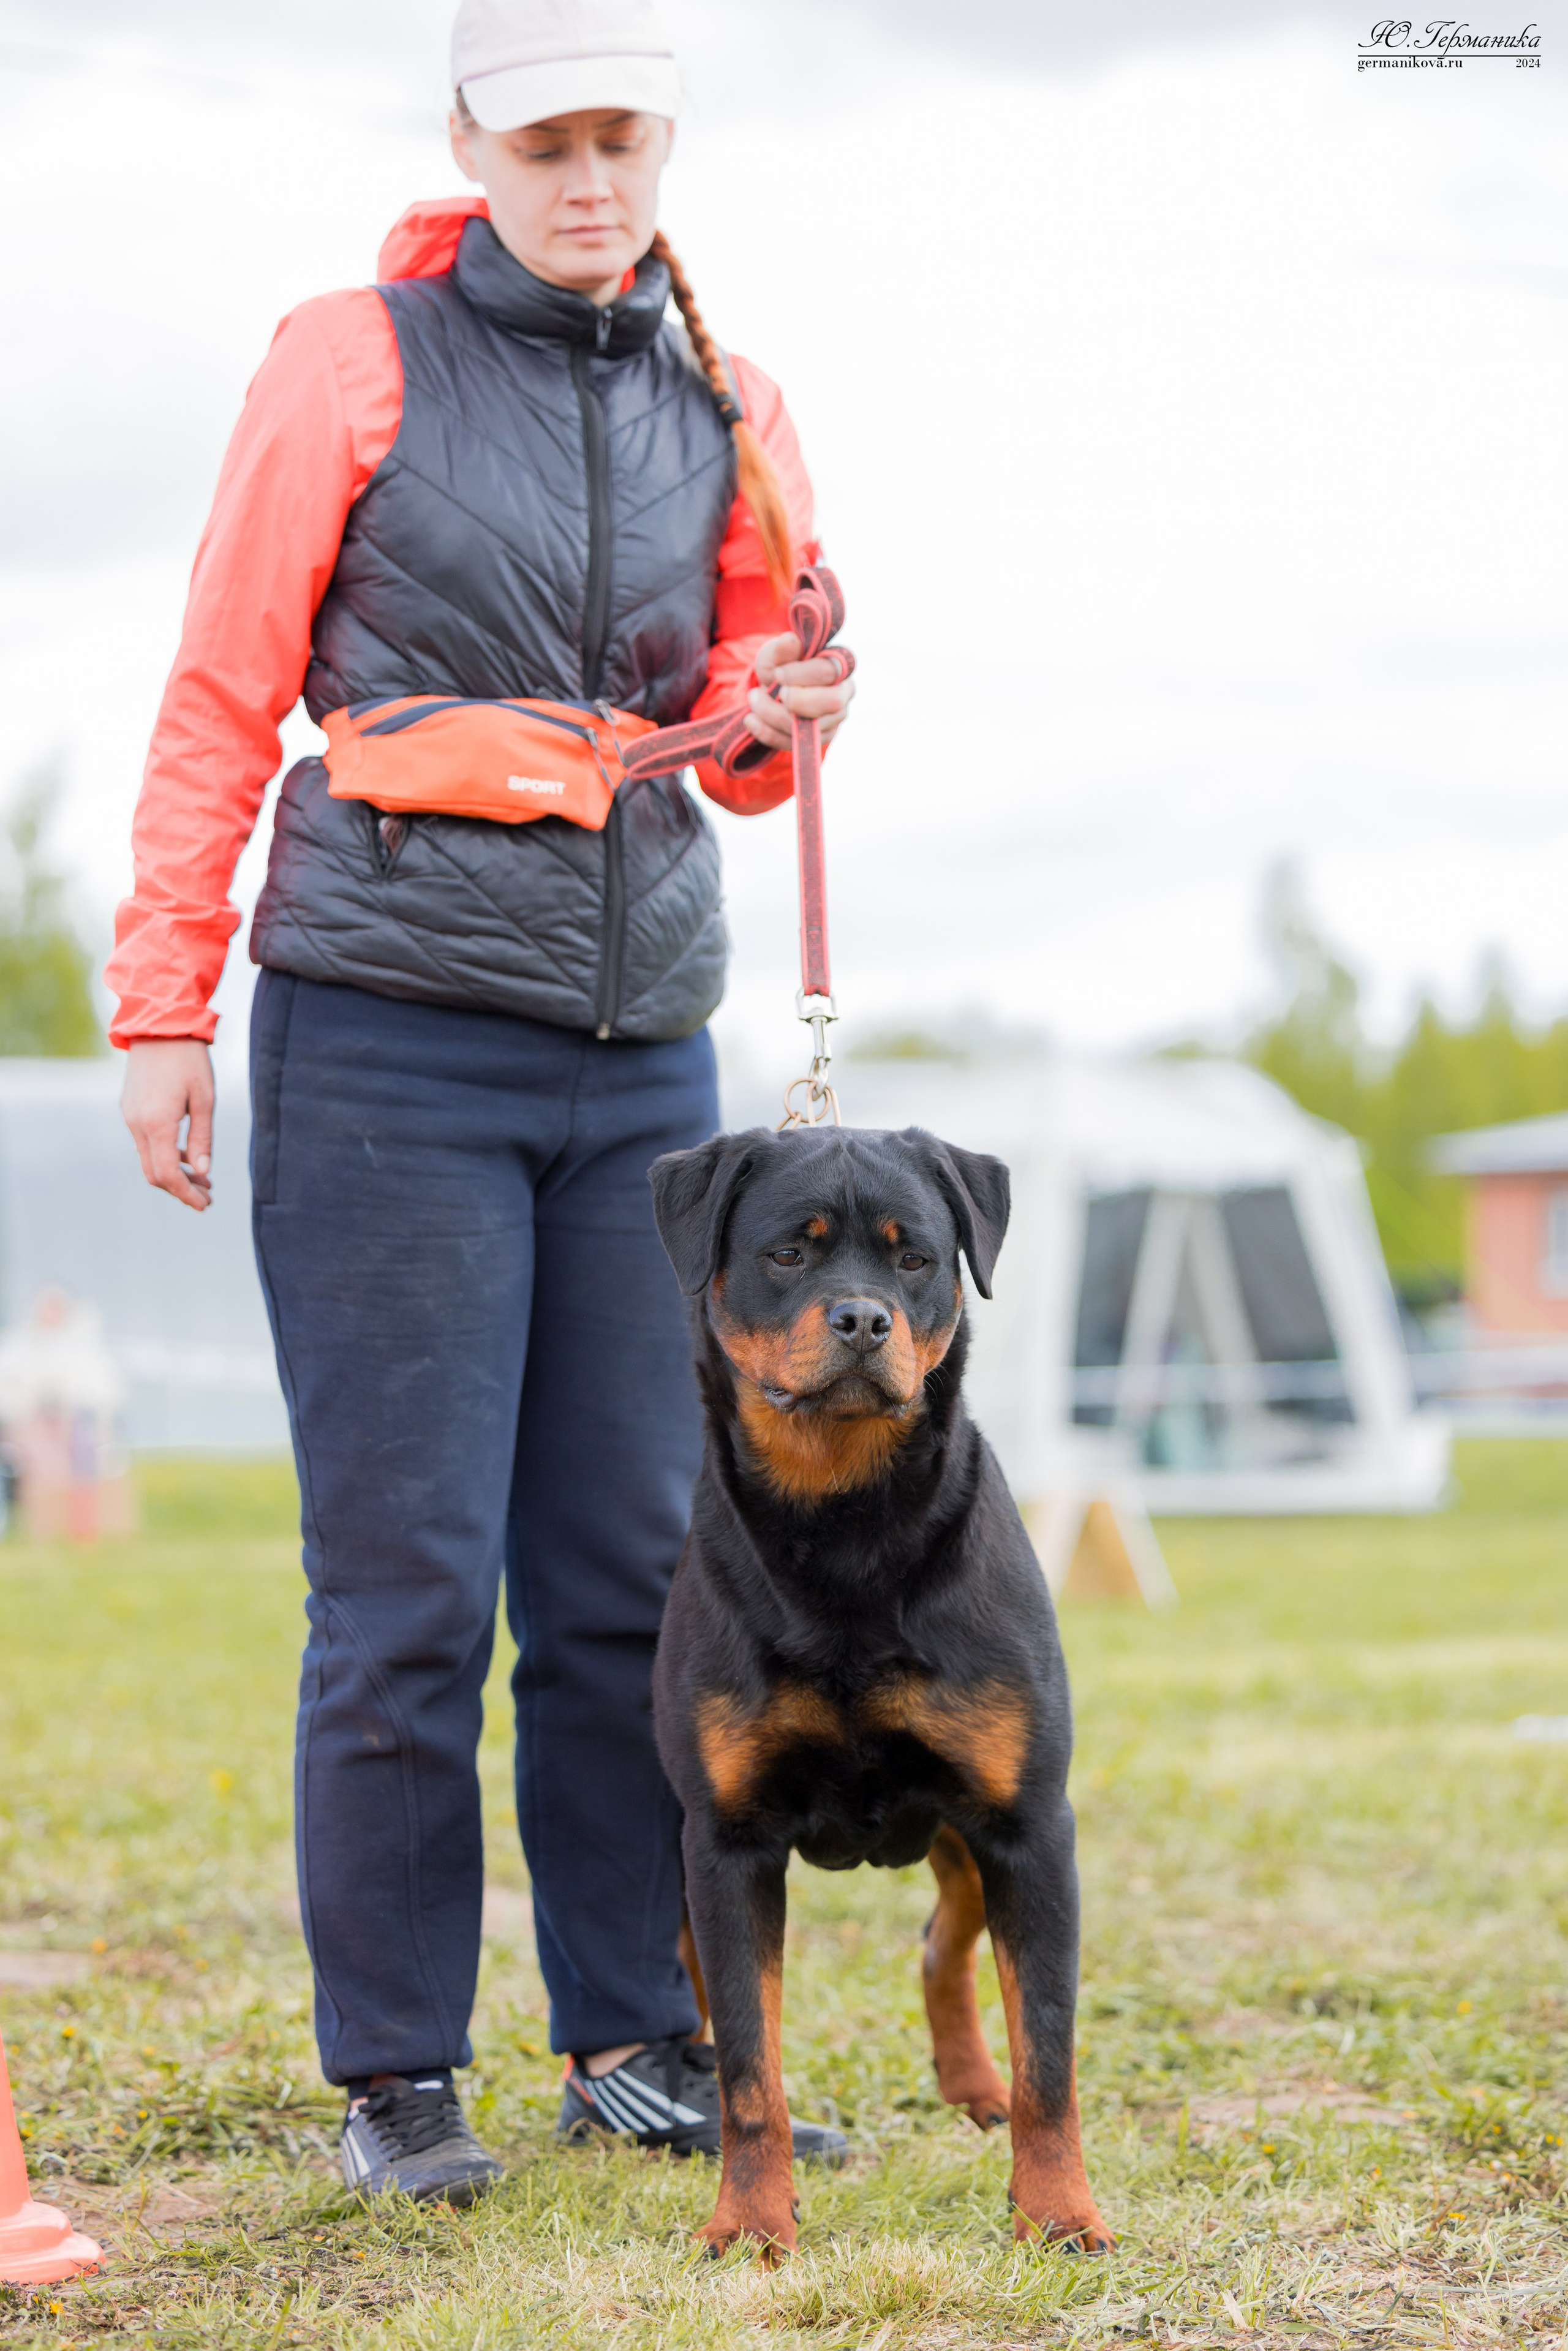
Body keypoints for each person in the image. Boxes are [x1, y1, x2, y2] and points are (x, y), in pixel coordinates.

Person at [108, 0, 856, 2201]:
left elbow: (732, 739)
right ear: (470, 137)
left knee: (633, 1577)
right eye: (547, 138)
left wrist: (793, 706)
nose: (588, 176)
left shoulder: (735, 397)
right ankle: (397, 2073)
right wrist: (162, 1010)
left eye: (624, 136)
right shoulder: (349, 360)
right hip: (387, 1040)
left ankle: (631, 2031)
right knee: (409, 1584)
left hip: (650, 1073)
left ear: (665, 148)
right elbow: (223, 689)